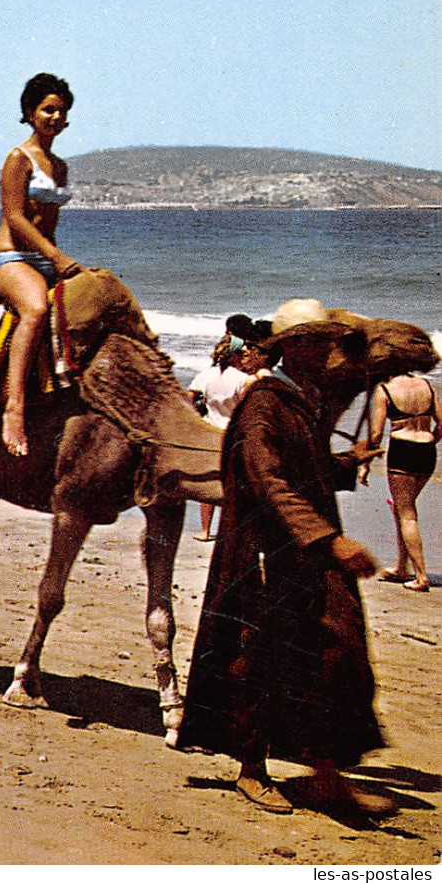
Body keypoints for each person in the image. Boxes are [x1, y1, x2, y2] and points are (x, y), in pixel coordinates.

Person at [176, 299, 391, 817]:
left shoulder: (300, 400)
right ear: (292, 350)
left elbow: (300, 470)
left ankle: (325, 772)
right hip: (264, 556)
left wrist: (342, 464)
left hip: (302, 551)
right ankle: (252, 771)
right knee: (255, 657)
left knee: (334, 650)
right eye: (316, 343)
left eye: (329, 343)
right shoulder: (264, 404)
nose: (327, 353)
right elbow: (267, 481)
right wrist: (328, 540)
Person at [0, 73, 82, 457]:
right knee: (36, 309)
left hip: (45, 259)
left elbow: (51, 223)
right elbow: (16, 217)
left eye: (61, 110)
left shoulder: (59, 166)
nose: (56, 117)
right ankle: (14, 409)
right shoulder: (18, 158)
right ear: (30, 112)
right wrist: (57, 257)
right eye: (48, 109)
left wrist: (59, 264)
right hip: (10, 257)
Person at [187, 316, 267, 541]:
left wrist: (196, 420)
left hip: (210, 433)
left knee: (209, 483)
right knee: (235, 485)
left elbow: (188, 398)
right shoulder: (243, 379)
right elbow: (246, 407)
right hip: (233, 435)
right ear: (235, 355)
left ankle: (204, 531)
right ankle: (230, 531)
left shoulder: (207, 375)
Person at [366, 370, 437, 592]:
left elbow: (376, 433)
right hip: (427, 449)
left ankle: (421, 576)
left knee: (407, 514)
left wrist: (366, 462)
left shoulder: (385, 389)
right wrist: (430, 441)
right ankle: (401, 567)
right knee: (401, 508)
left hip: (402, 451)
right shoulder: (427, 385)